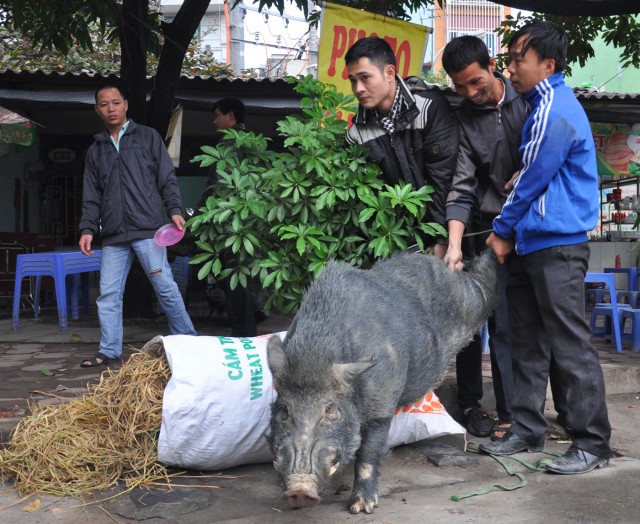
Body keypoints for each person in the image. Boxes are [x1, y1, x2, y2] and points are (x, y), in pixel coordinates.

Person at [481, 21, 611, 475]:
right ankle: (527, 428)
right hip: (533, 243)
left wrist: (500, 228)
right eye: (512, 58)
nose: (512, 67)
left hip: (556, 246)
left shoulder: (555, 108)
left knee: (569, 344)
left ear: (548, 65)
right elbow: (531, 175)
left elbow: (532, 177)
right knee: (527, 342)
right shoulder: (540, 107)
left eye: (520, 58)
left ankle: (593, 443)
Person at [441, 35, 528, 439]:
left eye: (475, 82)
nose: (470, 93)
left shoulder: (527, 99)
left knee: (511, 325)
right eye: (460, 86)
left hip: (526, 231)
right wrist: (455, 246)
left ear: (492, 65)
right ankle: (471, 404)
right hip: (483, 232)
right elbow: (461, 187)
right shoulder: (464, 117)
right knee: (470, 323)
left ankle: (513, 412)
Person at [78, 85, 196, 367]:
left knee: (165, 286)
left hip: (148, 229)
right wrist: (87, 229)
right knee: (108, 294)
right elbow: (91, 194)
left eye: (116, 102)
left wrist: (175, 210)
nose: (111, 108)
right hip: (115, 234)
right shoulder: (96, 150)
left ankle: (190, 342)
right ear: (97, 110)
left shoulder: (147, 137)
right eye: (104, 104)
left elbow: (166, 177)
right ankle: (109, 350)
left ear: (126, 105)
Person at [344, 36, 463, 261]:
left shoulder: (428, 107)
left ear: (389, 73)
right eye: (352, 80)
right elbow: (368, 199)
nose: (358, 88)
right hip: (397, 245)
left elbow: (445, 177)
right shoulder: (356, 134)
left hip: (449, 236)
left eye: (365, 78)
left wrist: (442, 239)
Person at [196, 98, 262, 337]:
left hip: (231, 221)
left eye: (218, 115)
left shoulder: (228, 145)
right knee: (236, 274)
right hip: (248, 220)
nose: (215, 121)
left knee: (232, 274)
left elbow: (216, 186)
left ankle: (245, 329)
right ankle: (252, 315)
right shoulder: (252, 143)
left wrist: (201, 214)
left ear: (230, 116)